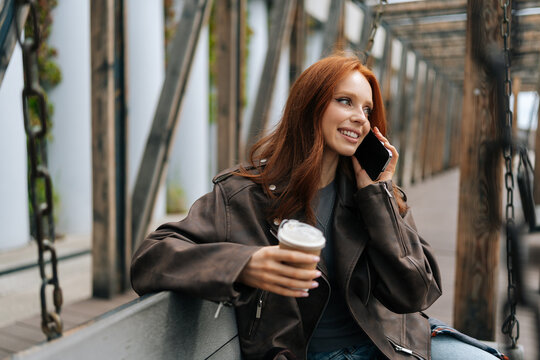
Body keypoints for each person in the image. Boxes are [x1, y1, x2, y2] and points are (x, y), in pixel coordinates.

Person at [131, 54, 502, 360]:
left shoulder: (372, 194)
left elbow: (415, 293)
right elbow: (151, 258)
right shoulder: (243, 195)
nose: (360, 117)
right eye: (345, 101)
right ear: (310, 106)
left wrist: (378, 196)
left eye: (367, 109)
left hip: (390, 346)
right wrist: (245, 265)